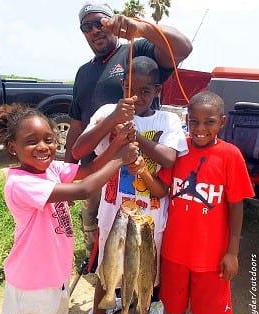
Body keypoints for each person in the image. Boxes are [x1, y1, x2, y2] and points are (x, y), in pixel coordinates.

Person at [0, 103, 139, 314]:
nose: (43, 147)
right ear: (12, 147)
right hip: (32, 283)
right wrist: (121, 159)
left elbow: (90, 169)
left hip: (54, 276)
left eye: (48, 139)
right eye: (31, 141)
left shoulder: (51, 169)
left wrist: (118, 142)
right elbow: (84, 190)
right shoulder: (20, 183)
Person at [64, 1, 192, 278]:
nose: (95, 30)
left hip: (134, 170)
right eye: (87, 26)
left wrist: (141, 27)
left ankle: (136, 289)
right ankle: (97, 265)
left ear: (112, 22)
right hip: (94, 166)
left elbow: (182, 48)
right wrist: (66, 169)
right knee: (97, 223)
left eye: (100, 22)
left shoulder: (135, 51)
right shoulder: (83, 72)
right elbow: (76, 123)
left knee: (134, 242)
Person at [72, 56, 188, 314]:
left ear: (158, 91)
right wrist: (113, 120)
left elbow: (169, 159)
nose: (137, 96)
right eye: (131, 89)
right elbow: (78, 150)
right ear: (123, 86)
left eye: (146, 91)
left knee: (144, 273)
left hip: (151, 216)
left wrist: (141, 139)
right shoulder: (108, 112)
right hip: (114, 211)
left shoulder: (168, 120)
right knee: (107, 268)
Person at [155, 91, 255, 314]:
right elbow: (162, 187)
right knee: (174, 304)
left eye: (209, 122)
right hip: (174, 250)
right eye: (194, 121)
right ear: (186, 120)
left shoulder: (230, 155)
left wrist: (231, 252)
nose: (200, 128)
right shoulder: (178, 149)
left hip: (210, 256)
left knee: (205, 309)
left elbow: (236, 206)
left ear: (222, 122)